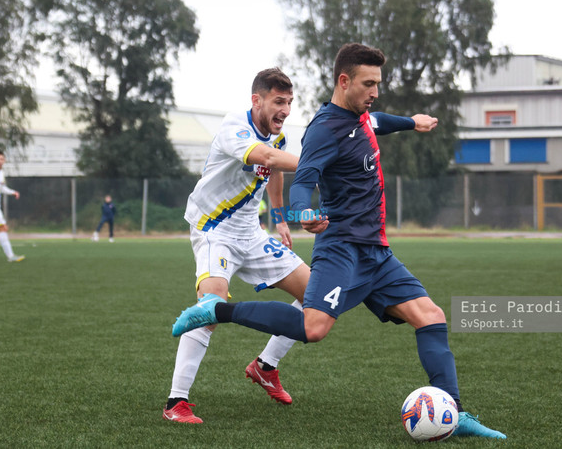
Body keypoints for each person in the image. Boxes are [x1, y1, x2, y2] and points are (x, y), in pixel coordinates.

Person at [172, 44, 506, 439]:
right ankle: (188, 374)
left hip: (368, 251)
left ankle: (455, 410)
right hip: (238, 233)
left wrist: (410, 122)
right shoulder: (306, 130)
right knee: (308, 326)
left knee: (430, 316)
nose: (375, 91)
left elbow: (372, 123)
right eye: (369, 83)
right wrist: (304, 206)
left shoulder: (355, 119)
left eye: (378, 83)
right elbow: (299, 173)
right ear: (344, 81)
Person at [164, 67, 312, 424]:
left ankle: (265, 366)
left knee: (318, 296)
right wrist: (323, 166)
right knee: (210, 308)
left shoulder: (279, 136)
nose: (285, 110)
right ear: (256, 100)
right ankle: (175, 402)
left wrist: (279, 218)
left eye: (290, 103)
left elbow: (275, 171)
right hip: (215, 230)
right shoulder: (235, 128)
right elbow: (270, 159)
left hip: (252, 234)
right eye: (279, 102)